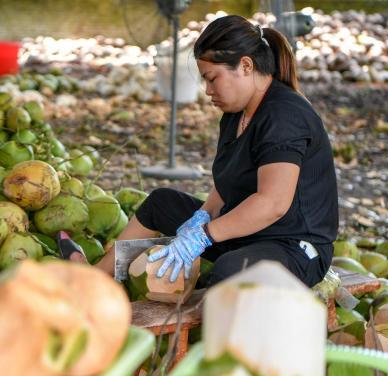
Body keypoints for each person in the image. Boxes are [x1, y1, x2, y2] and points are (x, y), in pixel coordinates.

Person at [60, 14, 338, 288]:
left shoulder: (283, 115)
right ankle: (97, 278)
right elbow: (227, 183)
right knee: (160, 203)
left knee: (231, 271)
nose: (207, 90)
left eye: (212, 78)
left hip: (296, 248)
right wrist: (201, 217)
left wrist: (203, 235)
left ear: (245, 65)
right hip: (248, 235)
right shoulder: (235, 115)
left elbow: (272, 204)